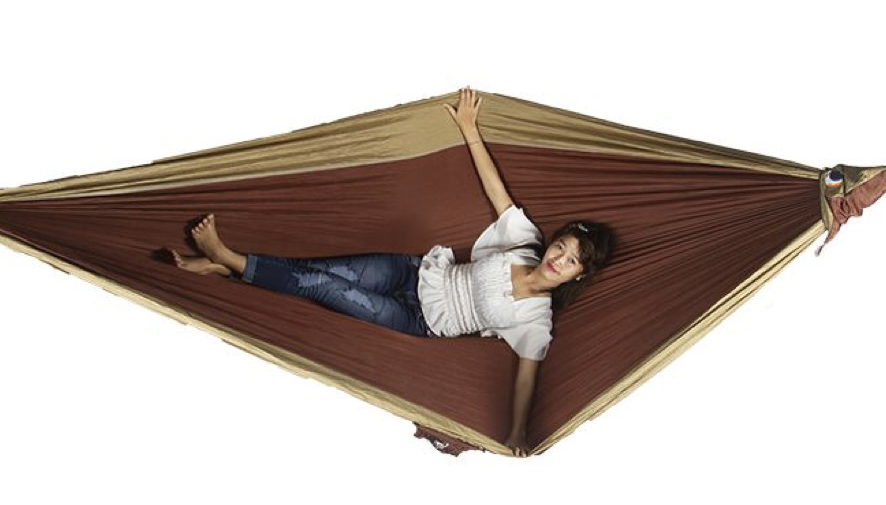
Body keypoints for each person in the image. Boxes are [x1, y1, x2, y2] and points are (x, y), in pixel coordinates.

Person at [164, 87, 614, 453]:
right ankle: (226, 267)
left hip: (416, 320)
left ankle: (228, 258)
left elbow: (526, 380)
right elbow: (497, 192)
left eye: (571, 260)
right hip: (412, 271)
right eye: (561, 246)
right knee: (314, 268)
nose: (558, 259)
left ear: (577, 275)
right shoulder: (525, 243)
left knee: (320, 285)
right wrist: (469, 129)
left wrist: (516, 432)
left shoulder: (536, 319)